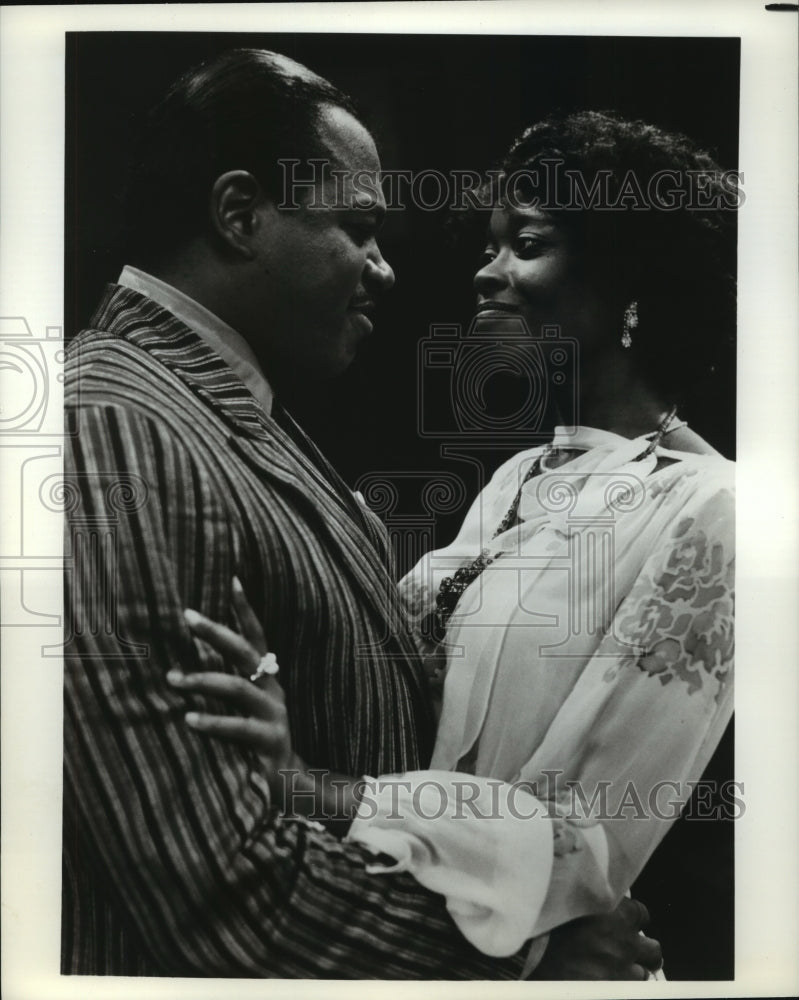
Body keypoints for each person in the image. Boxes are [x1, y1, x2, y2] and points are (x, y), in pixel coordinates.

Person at [62, 51, 659, 979]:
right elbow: (216, 881)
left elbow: (339, 753)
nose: (385, 270)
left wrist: (308, 780)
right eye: (360, 228)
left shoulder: (230, 415)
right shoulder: (119, 431)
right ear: (239, 214)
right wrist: (524, 962)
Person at [179, 112, 735, 973]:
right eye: (489, 243)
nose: (486, 273)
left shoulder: (712, 507)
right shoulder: (515, 483)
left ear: (630, 278)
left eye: (526, 243)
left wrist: (317, 789)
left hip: (549, 966)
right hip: (421, 948)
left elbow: (585, 835)